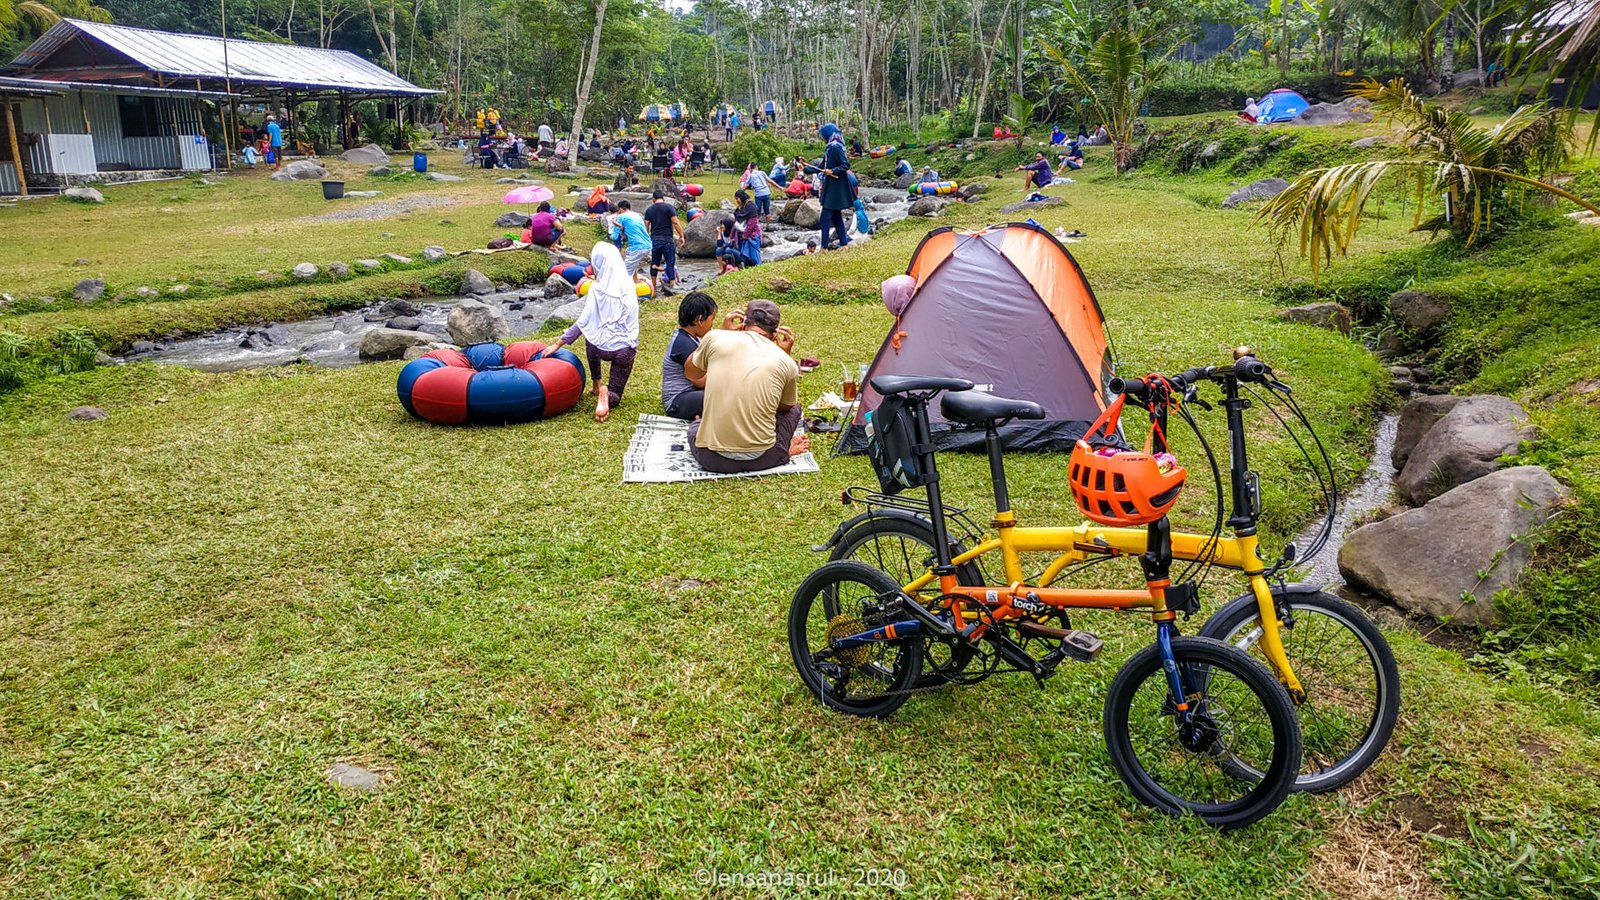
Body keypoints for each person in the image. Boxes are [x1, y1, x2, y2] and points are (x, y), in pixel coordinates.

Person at [683, 300, 808, 474]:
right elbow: (784, 407)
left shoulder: (715, 337)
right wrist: (784, 353)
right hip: (764, 458)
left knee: (695, 428)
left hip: (712, 459)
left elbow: (691, 373)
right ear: (774, 335)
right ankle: (784, 449)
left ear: (743, 324)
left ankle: (705, 427)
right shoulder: (785, 361)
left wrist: (722, 333)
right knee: (794, 408)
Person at [539, 242, 639, 423]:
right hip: (623, 350)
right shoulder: (629, 288)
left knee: (590, 335)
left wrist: (557, 343)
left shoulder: (595, 289)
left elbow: (582, 323)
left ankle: (596, 383)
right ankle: (607, 394)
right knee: (616, 391)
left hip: (598, 346)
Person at [661, 291, 717, 420]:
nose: (712, 324)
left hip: (689, 395)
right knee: (720, 396)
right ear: (699, 320)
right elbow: (701, 382)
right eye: (712, 319)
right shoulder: (684, 344)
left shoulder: (689, 337)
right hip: (677, 402)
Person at [802, 123, 854, 250]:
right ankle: (844, 244)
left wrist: (832, 171)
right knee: (836, 217)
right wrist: (805, 168)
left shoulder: (835, 147)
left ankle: (824, 248)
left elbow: (845, 165)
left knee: (824, 218)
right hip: (831, 186)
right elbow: (822, 167)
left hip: (835, 188)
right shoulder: (830, 148)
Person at [643, 189, 683, 292]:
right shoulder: (669, 208)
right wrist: (681, 236)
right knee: (670, 262)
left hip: (655, 240)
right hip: (667, 240)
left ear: (653, 199)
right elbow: (676, 222)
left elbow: (646, 227)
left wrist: (646, 240)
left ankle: (653, 284)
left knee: (654, 262)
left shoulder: (649, 210)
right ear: (663, 198)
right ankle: (673, 284)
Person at [608, 199, 653, 277]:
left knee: (626, 270)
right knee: (632, 263)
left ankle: (625, 287)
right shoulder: (637, 215)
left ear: (621, 209)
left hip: (637, 246)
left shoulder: (621, 216)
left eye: (619, 210)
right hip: (648, 244)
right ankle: (635, 280)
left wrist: (611, 232)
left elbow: (615, 236)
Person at [732, 189, 762, 266]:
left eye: (737, 199)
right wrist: (732, 236)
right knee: (743, 253)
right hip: (740, 235)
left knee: (753, 253)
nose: (737, 201)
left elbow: (752, 223)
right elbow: (735, 222)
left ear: (741, 197)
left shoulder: (751, 207)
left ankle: (756, 265)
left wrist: (745, 234)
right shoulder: (740, 208)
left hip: (751, 235)